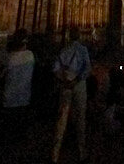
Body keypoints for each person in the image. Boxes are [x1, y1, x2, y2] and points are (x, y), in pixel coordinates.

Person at [51, 26, 92, 164]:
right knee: (80, 118)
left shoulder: (64, 50)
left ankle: (55, 154)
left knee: (61, 119)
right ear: (79, 36)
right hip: (78, 85)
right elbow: (87, 69)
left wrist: (64, 79)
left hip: (66, 85)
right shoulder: (82, 49)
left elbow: (55, 69)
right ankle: (82, 152)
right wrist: (77, 80)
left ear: (69, 36)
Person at [0, 28, 35, 138]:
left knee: (7, 133)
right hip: (24, 99)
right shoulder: (30, 55)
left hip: (8, 100)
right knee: (19, 133)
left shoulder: (9, 58)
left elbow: (0, 76)